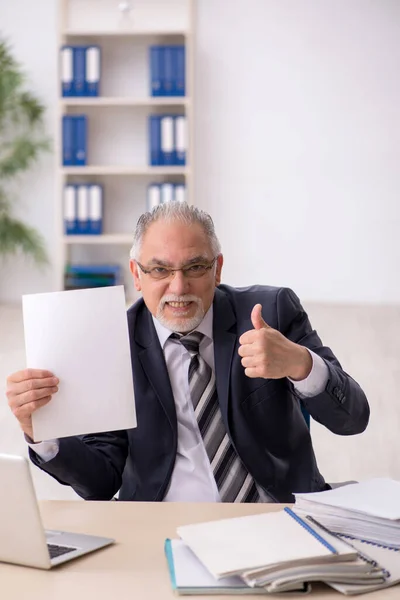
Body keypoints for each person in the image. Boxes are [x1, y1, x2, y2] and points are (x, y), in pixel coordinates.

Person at [6, 203, 369, 503]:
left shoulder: (272, 311)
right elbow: (99, 483)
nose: (178, 287)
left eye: (195, 267)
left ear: (217, 269)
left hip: (277, 515)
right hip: (161, 524)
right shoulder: (113, 338)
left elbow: (353, 419)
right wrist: (43, 432)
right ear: (136, 274)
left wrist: (300, 364)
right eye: (160, 269)